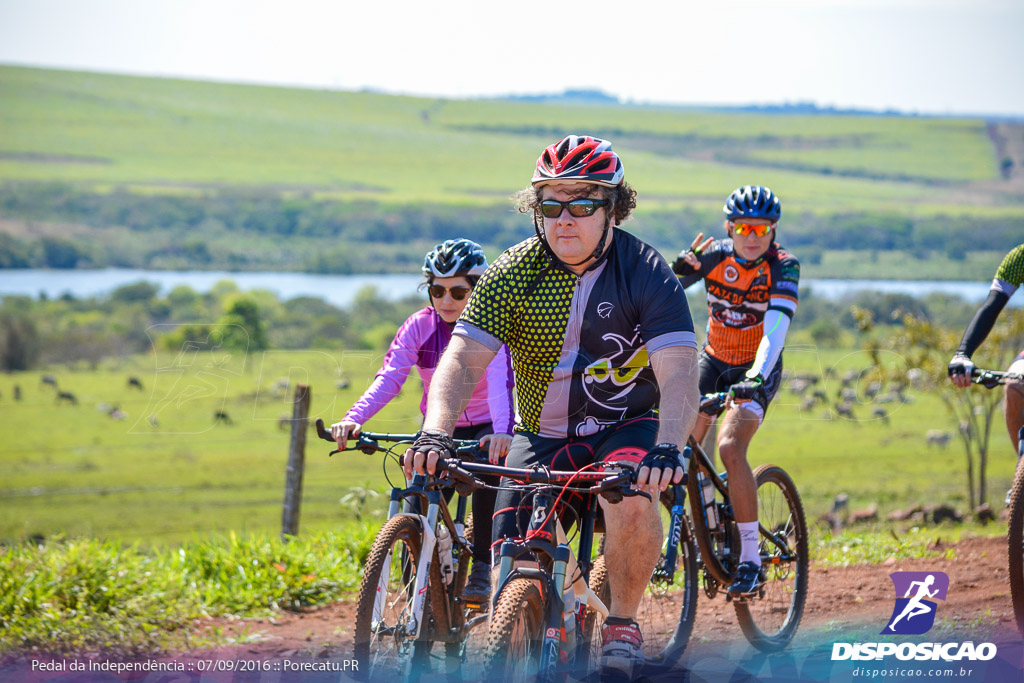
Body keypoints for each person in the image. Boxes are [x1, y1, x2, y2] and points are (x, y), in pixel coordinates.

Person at [404, 135, 700, 677]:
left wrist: (668, 447)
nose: (565, 218)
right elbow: (462, 359)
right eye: (550, 204)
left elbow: (679, 373)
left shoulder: (646, 271)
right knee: (512, 560)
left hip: (626, 423)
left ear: (614, 207)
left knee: (632, 499)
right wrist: (434, 431)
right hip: (540, 432)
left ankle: (622, 625)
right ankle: (534, 622)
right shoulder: (513, 271)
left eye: (583, 202)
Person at [331, 238, 514, 604]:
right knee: (417, 488)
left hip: (485, 426)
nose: (447, 300)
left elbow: (499, 383)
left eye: (459, 291)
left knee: (488, 471)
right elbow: (389, 378)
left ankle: (480, 565)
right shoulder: (419, 326)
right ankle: (416, 559)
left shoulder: (492, 326)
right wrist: (352, 419)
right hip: (439, 426)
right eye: (437, 290)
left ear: (478, 290)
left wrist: (501, 432)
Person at [673, 184, 800, 597]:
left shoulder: (784, 266)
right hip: (713, 360)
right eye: (743, 227)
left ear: (773, 231)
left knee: (730, 446)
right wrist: (678, 271)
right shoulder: (713, 258)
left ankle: (750, 558)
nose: (752, 236)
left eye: (762, 229)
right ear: (729, 227)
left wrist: (756, 377)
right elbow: (660, 297)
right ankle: (707, 522)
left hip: (755, 367)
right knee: (677, 446)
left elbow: (775, 330)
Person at [948, 243, 1024, 463]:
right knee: (1014, 386)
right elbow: (991, 307)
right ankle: (1021, 478)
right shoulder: (1019, 258)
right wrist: (963, 353)